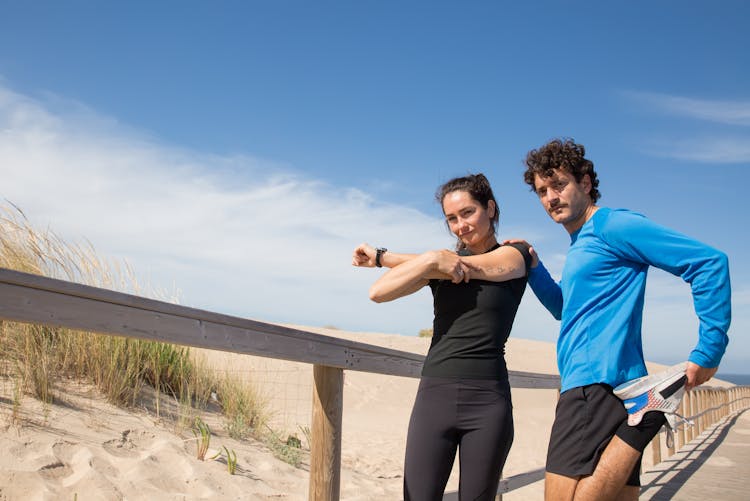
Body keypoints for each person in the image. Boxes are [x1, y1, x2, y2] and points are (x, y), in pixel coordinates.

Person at [516, 138, 731, 501]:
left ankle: (648, 416)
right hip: (619, 388)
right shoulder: (582, 243)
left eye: (559, 184)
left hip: (594, 383)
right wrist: (535, 270)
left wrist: (709, 350)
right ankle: (647, 413)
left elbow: (709, 262)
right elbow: (565, 310)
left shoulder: (611, 225)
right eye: (541, 190)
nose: (550, 197)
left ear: (585, 183)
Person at [351, 173, 532, 501]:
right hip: (435, 396)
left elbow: (470, 266)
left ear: (490, 208)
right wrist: (425, 260)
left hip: (488, 402)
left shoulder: (516, 254)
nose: (460, 225)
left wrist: (390, 258)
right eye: (451, 218)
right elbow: (377, 293)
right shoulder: (437, 267)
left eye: (468, 213)